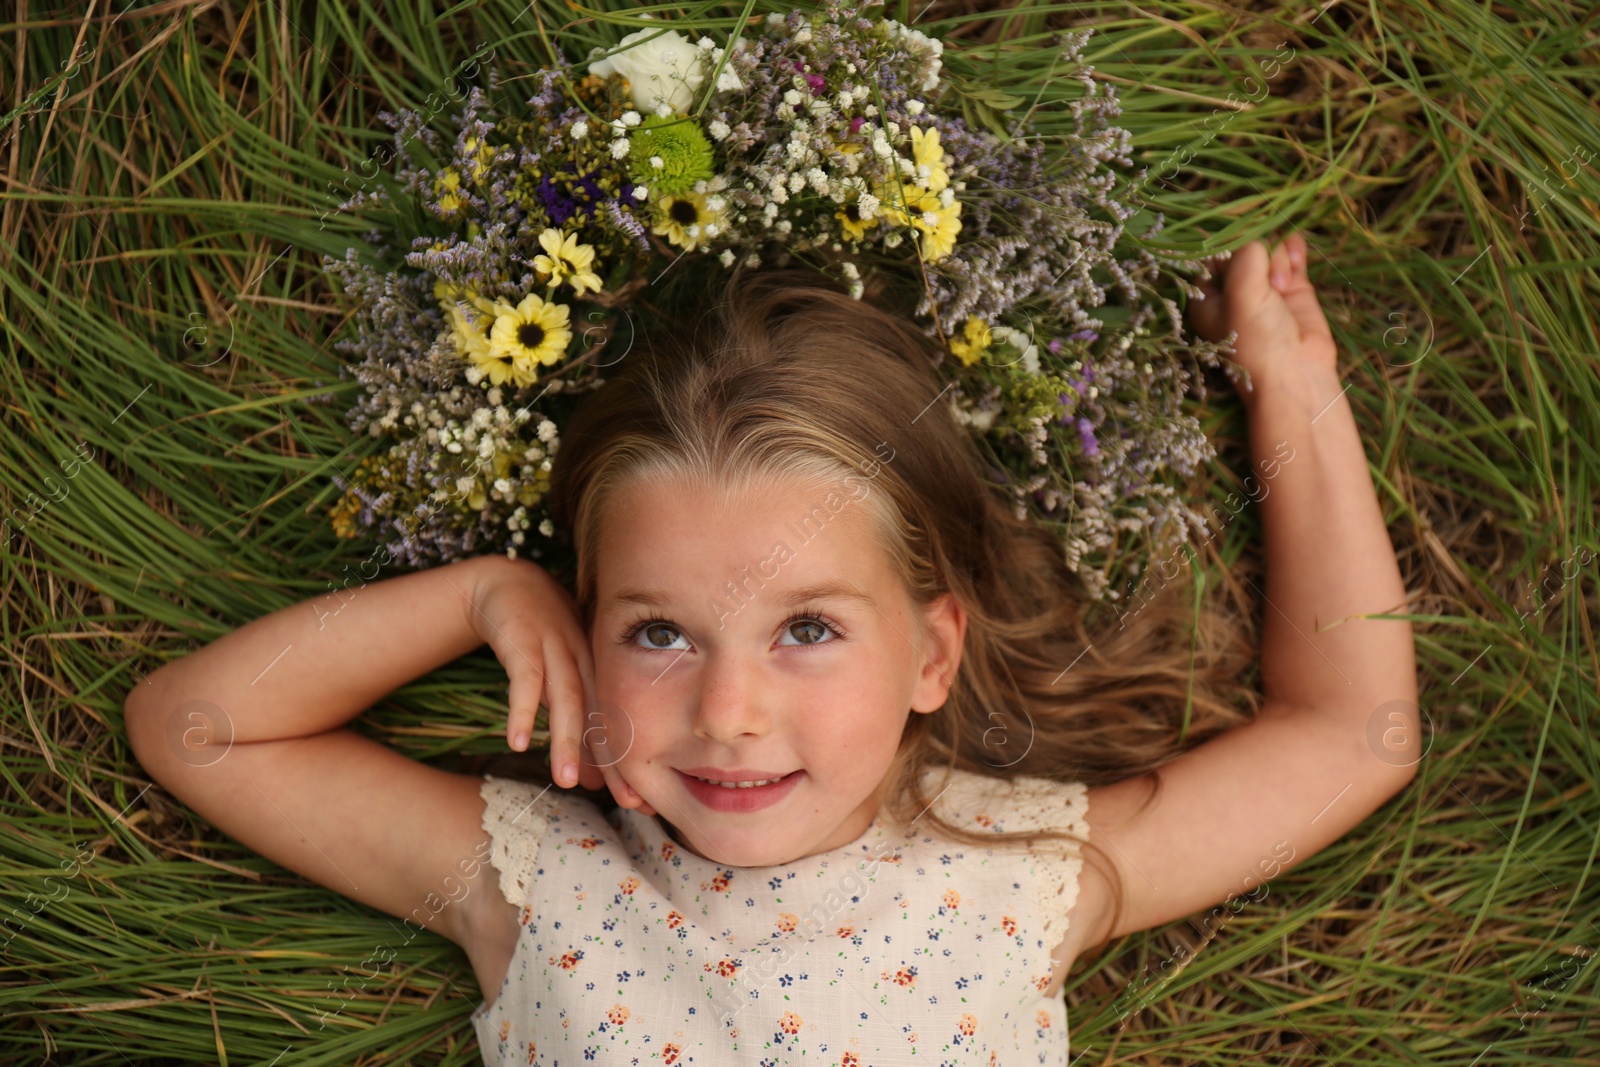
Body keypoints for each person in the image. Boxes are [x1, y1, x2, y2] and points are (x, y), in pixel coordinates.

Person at [123, 232, 1418, 1064]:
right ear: (584, 645)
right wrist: (479, 600)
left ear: (930, 654)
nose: (729, 709)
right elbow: (202, 728)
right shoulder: (540, 885)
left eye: (806, 628)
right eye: (658, 633)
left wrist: (1293, 395)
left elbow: (1348, 739)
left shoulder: (1019, 877)